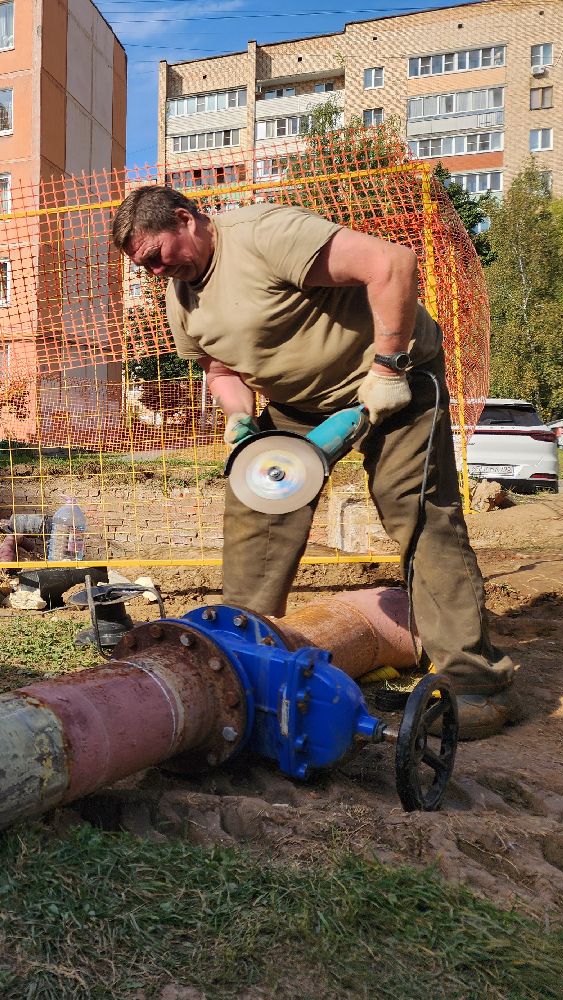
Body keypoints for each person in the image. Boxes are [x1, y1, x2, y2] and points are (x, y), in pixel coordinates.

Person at [111, 185, 517, 738]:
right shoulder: (181, 297)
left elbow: (392, 263)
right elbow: (221, 367)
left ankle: (475, 684)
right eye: (145, 267)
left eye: (157, 256)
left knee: (415, 510)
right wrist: (238, 419)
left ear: (186, 219)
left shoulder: (261, 235)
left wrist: (389, 367)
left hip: (390, 377)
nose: (156, 272)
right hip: (298, 406)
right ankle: (238, 663)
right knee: (258, 504)